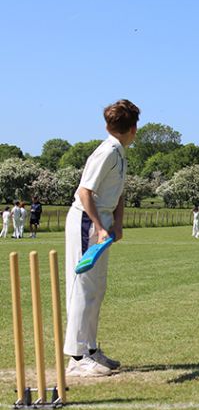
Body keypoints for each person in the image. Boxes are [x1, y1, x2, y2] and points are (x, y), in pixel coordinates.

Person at [64, 99, 140, 377]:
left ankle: (91, 349)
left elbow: (118, 193)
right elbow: (84, 192)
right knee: (83, 287)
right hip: (86, 220)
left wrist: (117, 223)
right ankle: (77, 357)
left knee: (97, 288)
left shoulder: (119, 152)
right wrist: (100, 226)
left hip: (103, 221)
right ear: (133, 129)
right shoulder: (107, 151)